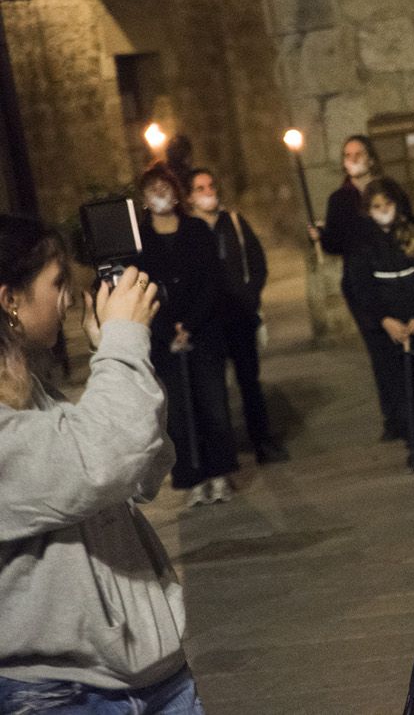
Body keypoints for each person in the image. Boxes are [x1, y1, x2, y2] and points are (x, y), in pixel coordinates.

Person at [0, 219, 205, 714]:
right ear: (10, 299)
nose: (68, 299)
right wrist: (121, 341)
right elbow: (105, 462)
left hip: (155, 676)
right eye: (57, 284)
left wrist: (112, 351)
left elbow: (144, 470)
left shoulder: (34, 394)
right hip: (62, 694)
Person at [131, 163, 237, 508]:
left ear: (177, 193)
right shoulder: (141, 242)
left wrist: (189, 323)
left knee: (213, 404)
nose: (161, 195)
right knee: (178, 411)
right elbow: (141, 286)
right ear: (145, 199)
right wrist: (166, 328)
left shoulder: (195, 231)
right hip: (163, 339)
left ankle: (219, 472)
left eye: (166, 187)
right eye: (153, 190)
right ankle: (193, 478)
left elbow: (212, 281)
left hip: (203, 332)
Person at [188, 169, 287, 464]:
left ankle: (262, 442)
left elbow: (257, 263)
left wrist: (250, 295)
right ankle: (221, 452)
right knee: (213, 389)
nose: (208, 191)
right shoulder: (189, 231)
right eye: (200, 188)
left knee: (249, 382)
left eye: (211, 185)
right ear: (190, 196)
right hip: (208, 323)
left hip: (240, 317)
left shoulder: (233, 222)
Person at [346, 179, 414, 472]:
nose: (383, 211)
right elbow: (361, 287)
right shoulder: (361, 244)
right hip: (388, 328)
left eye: (387, 204)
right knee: (399, 386)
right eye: (376, 207)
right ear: (368, 211)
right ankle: (413, 443)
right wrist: (385, 320)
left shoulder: (413, 235)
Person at [312, 135, 406, 441]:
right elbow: (336, 244)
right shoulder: (340, 200)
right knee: (379, 351)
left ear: (371, 158)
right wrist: (322, 236)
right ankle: (393, 416)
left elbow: (407, 226)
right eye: (347, 154)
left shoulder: (389, 191)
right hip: (360, 284)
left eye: (358, 153)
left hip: (393, 277)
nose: (352, 159)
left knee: (403, 346)